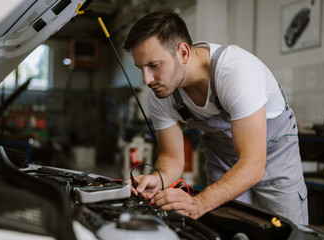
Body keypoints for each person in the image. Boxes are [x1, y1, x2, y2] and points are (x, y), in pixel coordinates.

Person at [123, 10, 308, 224]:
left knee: (288, 230)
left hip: (274, 152)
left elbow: (253, 164)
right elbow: (171, 158)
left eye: (154, 65)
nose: (147, 79)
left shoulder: (235, 72)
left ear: (183, 53)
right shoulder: (161, 91)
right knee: (228, 227)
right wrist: (158, 178)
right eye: (141, 68)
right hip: (222, 153)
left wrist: (199, 203)